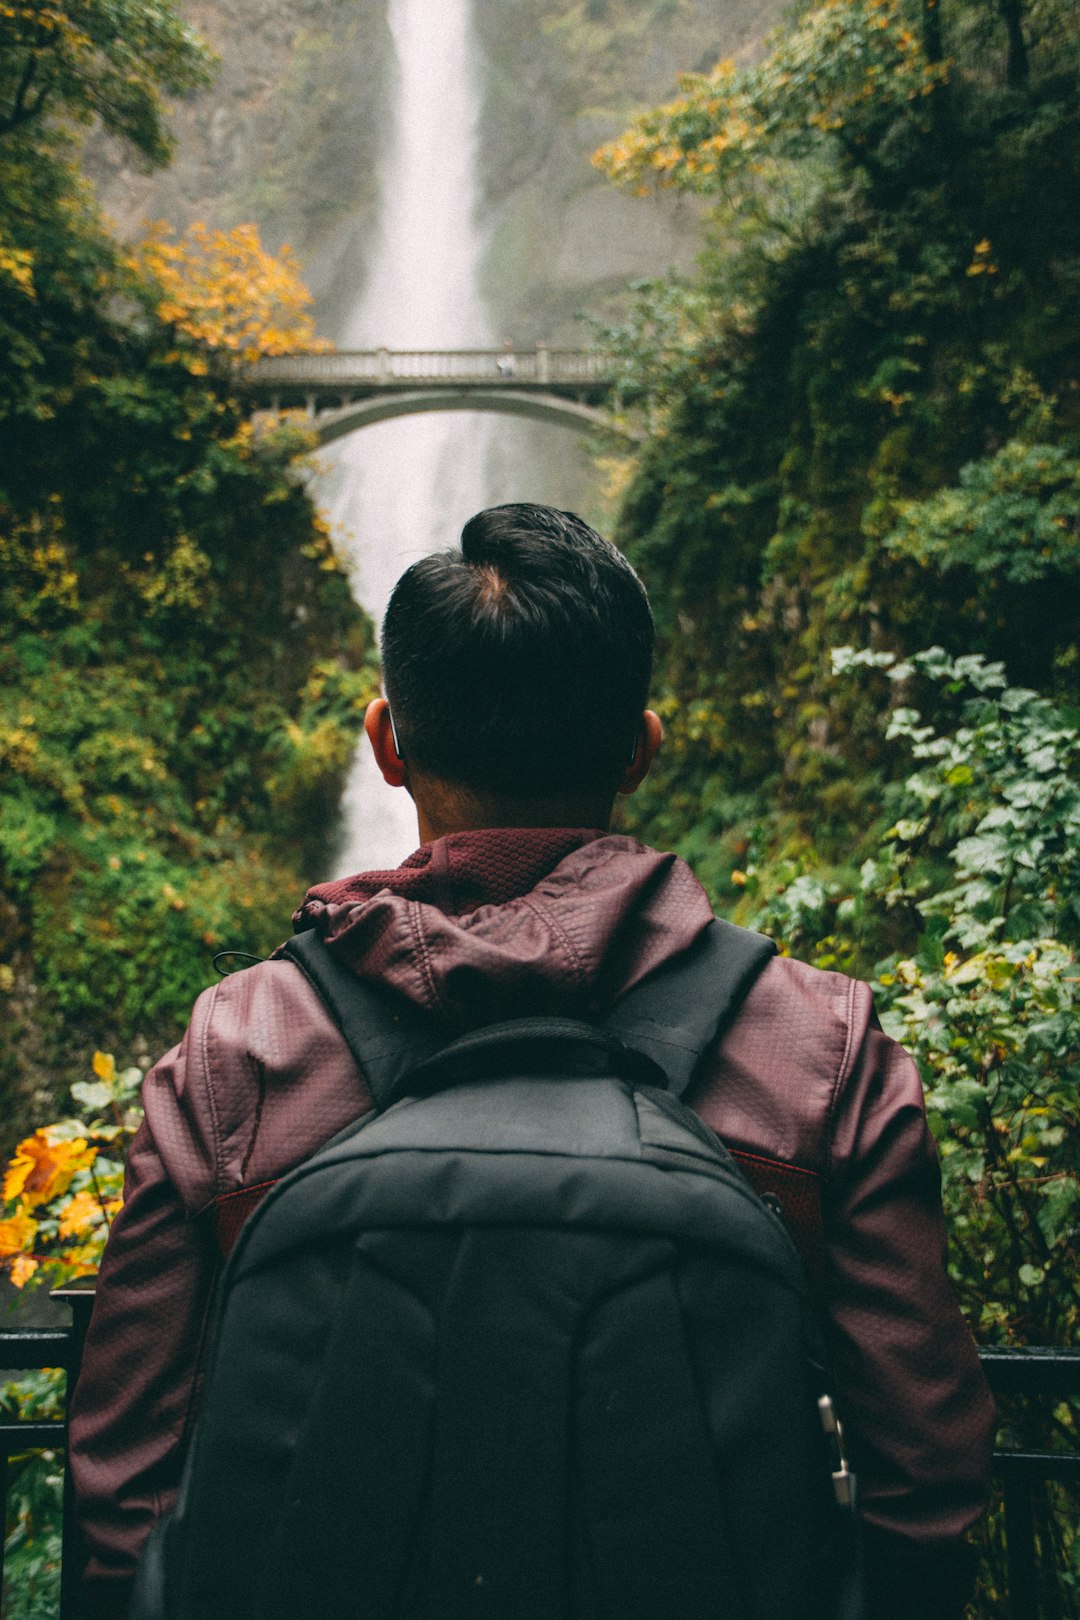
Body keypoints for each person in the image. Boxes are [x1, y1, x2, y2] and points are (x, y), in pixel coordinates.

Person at [69, 502, 995, 1620]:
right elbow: (927, 1490)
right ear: (641, 749)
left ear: (386, 743)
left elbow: (125, 1489)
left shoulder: (234, 1052)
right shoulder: (827, 1051)